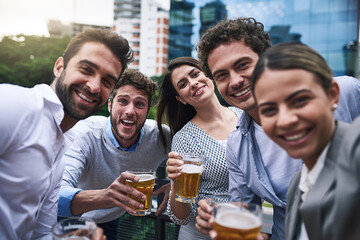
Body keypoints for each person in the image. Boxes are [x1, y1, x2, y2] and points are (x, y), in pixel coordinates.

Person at [194, 17, 360, 240]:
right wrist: (226, 218)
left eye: (243, 65)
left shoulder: (346, 91)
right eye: (221, 75)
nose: (234, 81)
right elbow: (257, 213)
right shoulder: (237, 143)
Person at [0, 28, 133, 239]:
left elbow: (41, 232)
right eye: (87, 69)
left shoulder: (63, 144)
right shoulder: (15, 104)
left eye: (107, 81)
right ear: (59, 66)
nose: (94, 86)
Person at [251, 41, 360, 240]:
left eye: (300, 100)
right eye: (269, 110)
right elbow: (264, 204)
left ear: (332, 95)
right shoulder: (296, 187)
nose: (285, 120)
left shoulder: (354, 149)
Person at [58, 69, 171, 239]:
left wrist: (175, 183)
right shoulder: (85, 134)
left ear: (147, 112)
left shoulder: (160, 136)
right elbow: (55, 194)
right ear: (110, 105)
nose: (130, 111)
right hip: (68, 220)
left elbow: (193, 155)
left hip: (110, 220)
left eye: (139, 104)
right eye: (123, 101)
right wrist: (105, 196)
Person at [156, 57, 242, 239]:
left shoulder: (245, 116)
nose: (193, 83)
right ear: (181, 99)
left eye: (195, 74)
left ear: (208, 76)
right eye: (183, 84)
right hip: (203, 233)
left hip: (248, 228)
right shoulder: (184, 139)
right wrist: (177, 183)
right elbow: (180, 217)